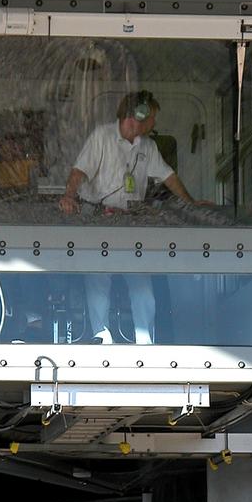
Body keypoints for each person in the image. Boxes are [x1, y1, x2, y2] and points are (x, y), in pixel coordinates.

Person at [58, 91, 204, 344]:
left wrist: (191, 203)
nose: (155, 123)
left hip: (131, 223)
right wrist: (69, 196)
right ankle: (101, 337)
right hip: (98, 221)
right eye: (152, 117)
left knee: (141, 286)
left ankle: (145, 341)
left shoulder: (148, 146)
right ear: (137, 116)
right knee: (97, 279)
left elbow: (169, 177)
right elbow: (79, 171)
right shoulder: (101, 136)